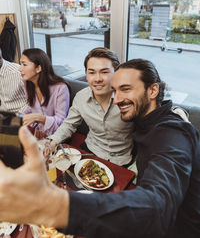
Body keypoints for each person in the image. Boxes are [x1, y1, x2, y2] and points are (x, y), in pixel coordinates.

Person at [0, 58, 199, 238]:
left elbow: (157, 207)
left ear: (153, 90)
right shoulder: (150, 118)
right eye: (116, 90)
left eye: (126, 89)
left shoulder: (172, 132)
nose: (118, 98)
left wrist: (50, 204)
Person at [48, 47, 134, 166]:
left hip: (121, 160)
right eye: (92, 72)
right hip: (90, 151)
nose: (97, 79)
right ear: (86, 75)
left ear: (116, 74)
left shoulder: (129, 99)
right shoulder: (81, 97)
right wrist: (53, 141)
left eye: (104, 72)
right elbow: (69, 124)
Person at [20, 48, 70, 136]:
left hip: (57, 136)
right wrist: (18, 117)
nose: (20, 69)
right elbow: (31, 107)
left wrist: (38, 118)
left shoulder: (61, 88)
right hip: (39, 132)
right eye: (20, 64)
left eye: (24, 64)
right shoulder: (28, 83)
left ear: (38, 68)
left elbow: (62, 122)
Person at [0, 47, 27, 113]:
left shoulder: (18, 72)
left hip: (22, 115)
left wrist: (18, 116)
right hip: (3, 117)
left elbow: (34, 100)